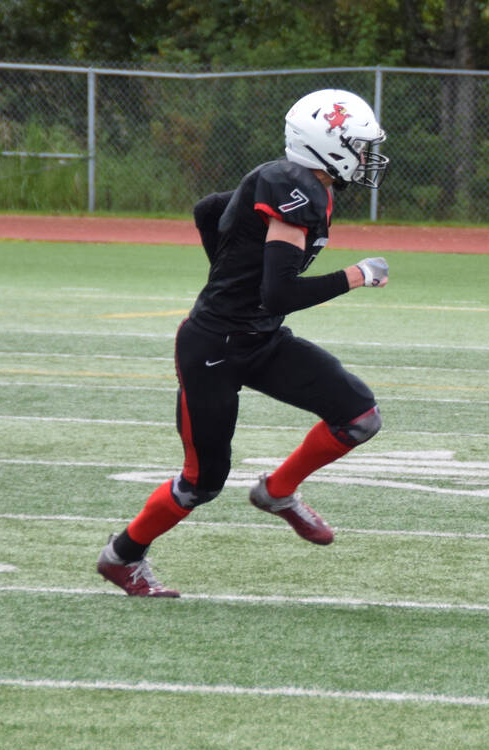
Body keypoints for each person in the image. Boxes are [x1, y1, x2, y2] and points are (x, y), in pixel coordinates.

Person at [97, 88, 395, 597]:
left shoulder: (299, 182)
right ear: (329, 145)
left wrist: (230, 270)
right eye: (359, 146)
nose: (366, 158)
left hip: (259, 338)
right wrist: (356, 275)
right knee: (202, 481)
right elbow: (279, 290)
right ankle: (122, 557)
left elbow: (207, 209)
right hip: (213, 347)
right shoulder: (293, 187)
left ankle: (277, 491)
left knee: (360, 417)